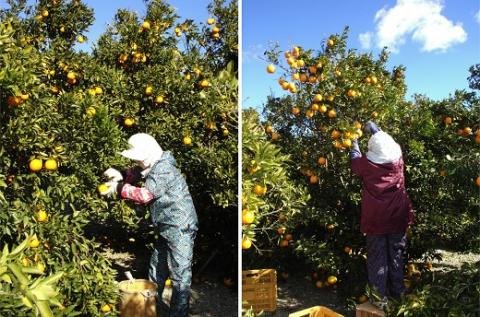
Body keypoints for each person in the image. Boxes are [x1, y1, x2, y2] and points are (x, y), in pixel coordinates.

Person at [101, 133, 198, 317]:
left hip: (180, 228)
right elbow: (135, 172)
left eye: (138, 159)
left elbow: (146, 195)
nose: (137, 163)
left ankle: (178, 314)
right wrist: (120, 174)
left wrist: (120, 188)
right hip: (166, 227)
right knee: (156, 268)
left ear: (148, 154)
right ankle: (152, 308)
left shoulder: (164, 168)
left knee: (179, 276)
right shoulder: (153, 165)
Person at [350, 122, 414, 308]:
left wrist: (354, 142)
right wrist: (375, 129)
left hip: (376, 220)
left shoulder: (367, 164)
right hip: (398, 217)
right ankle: (398, 293)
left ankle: (379, 299)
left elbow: (355, 161)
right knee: (396, 256)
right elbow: (385, 144)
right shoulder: (398, 160)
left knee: (377, 258)